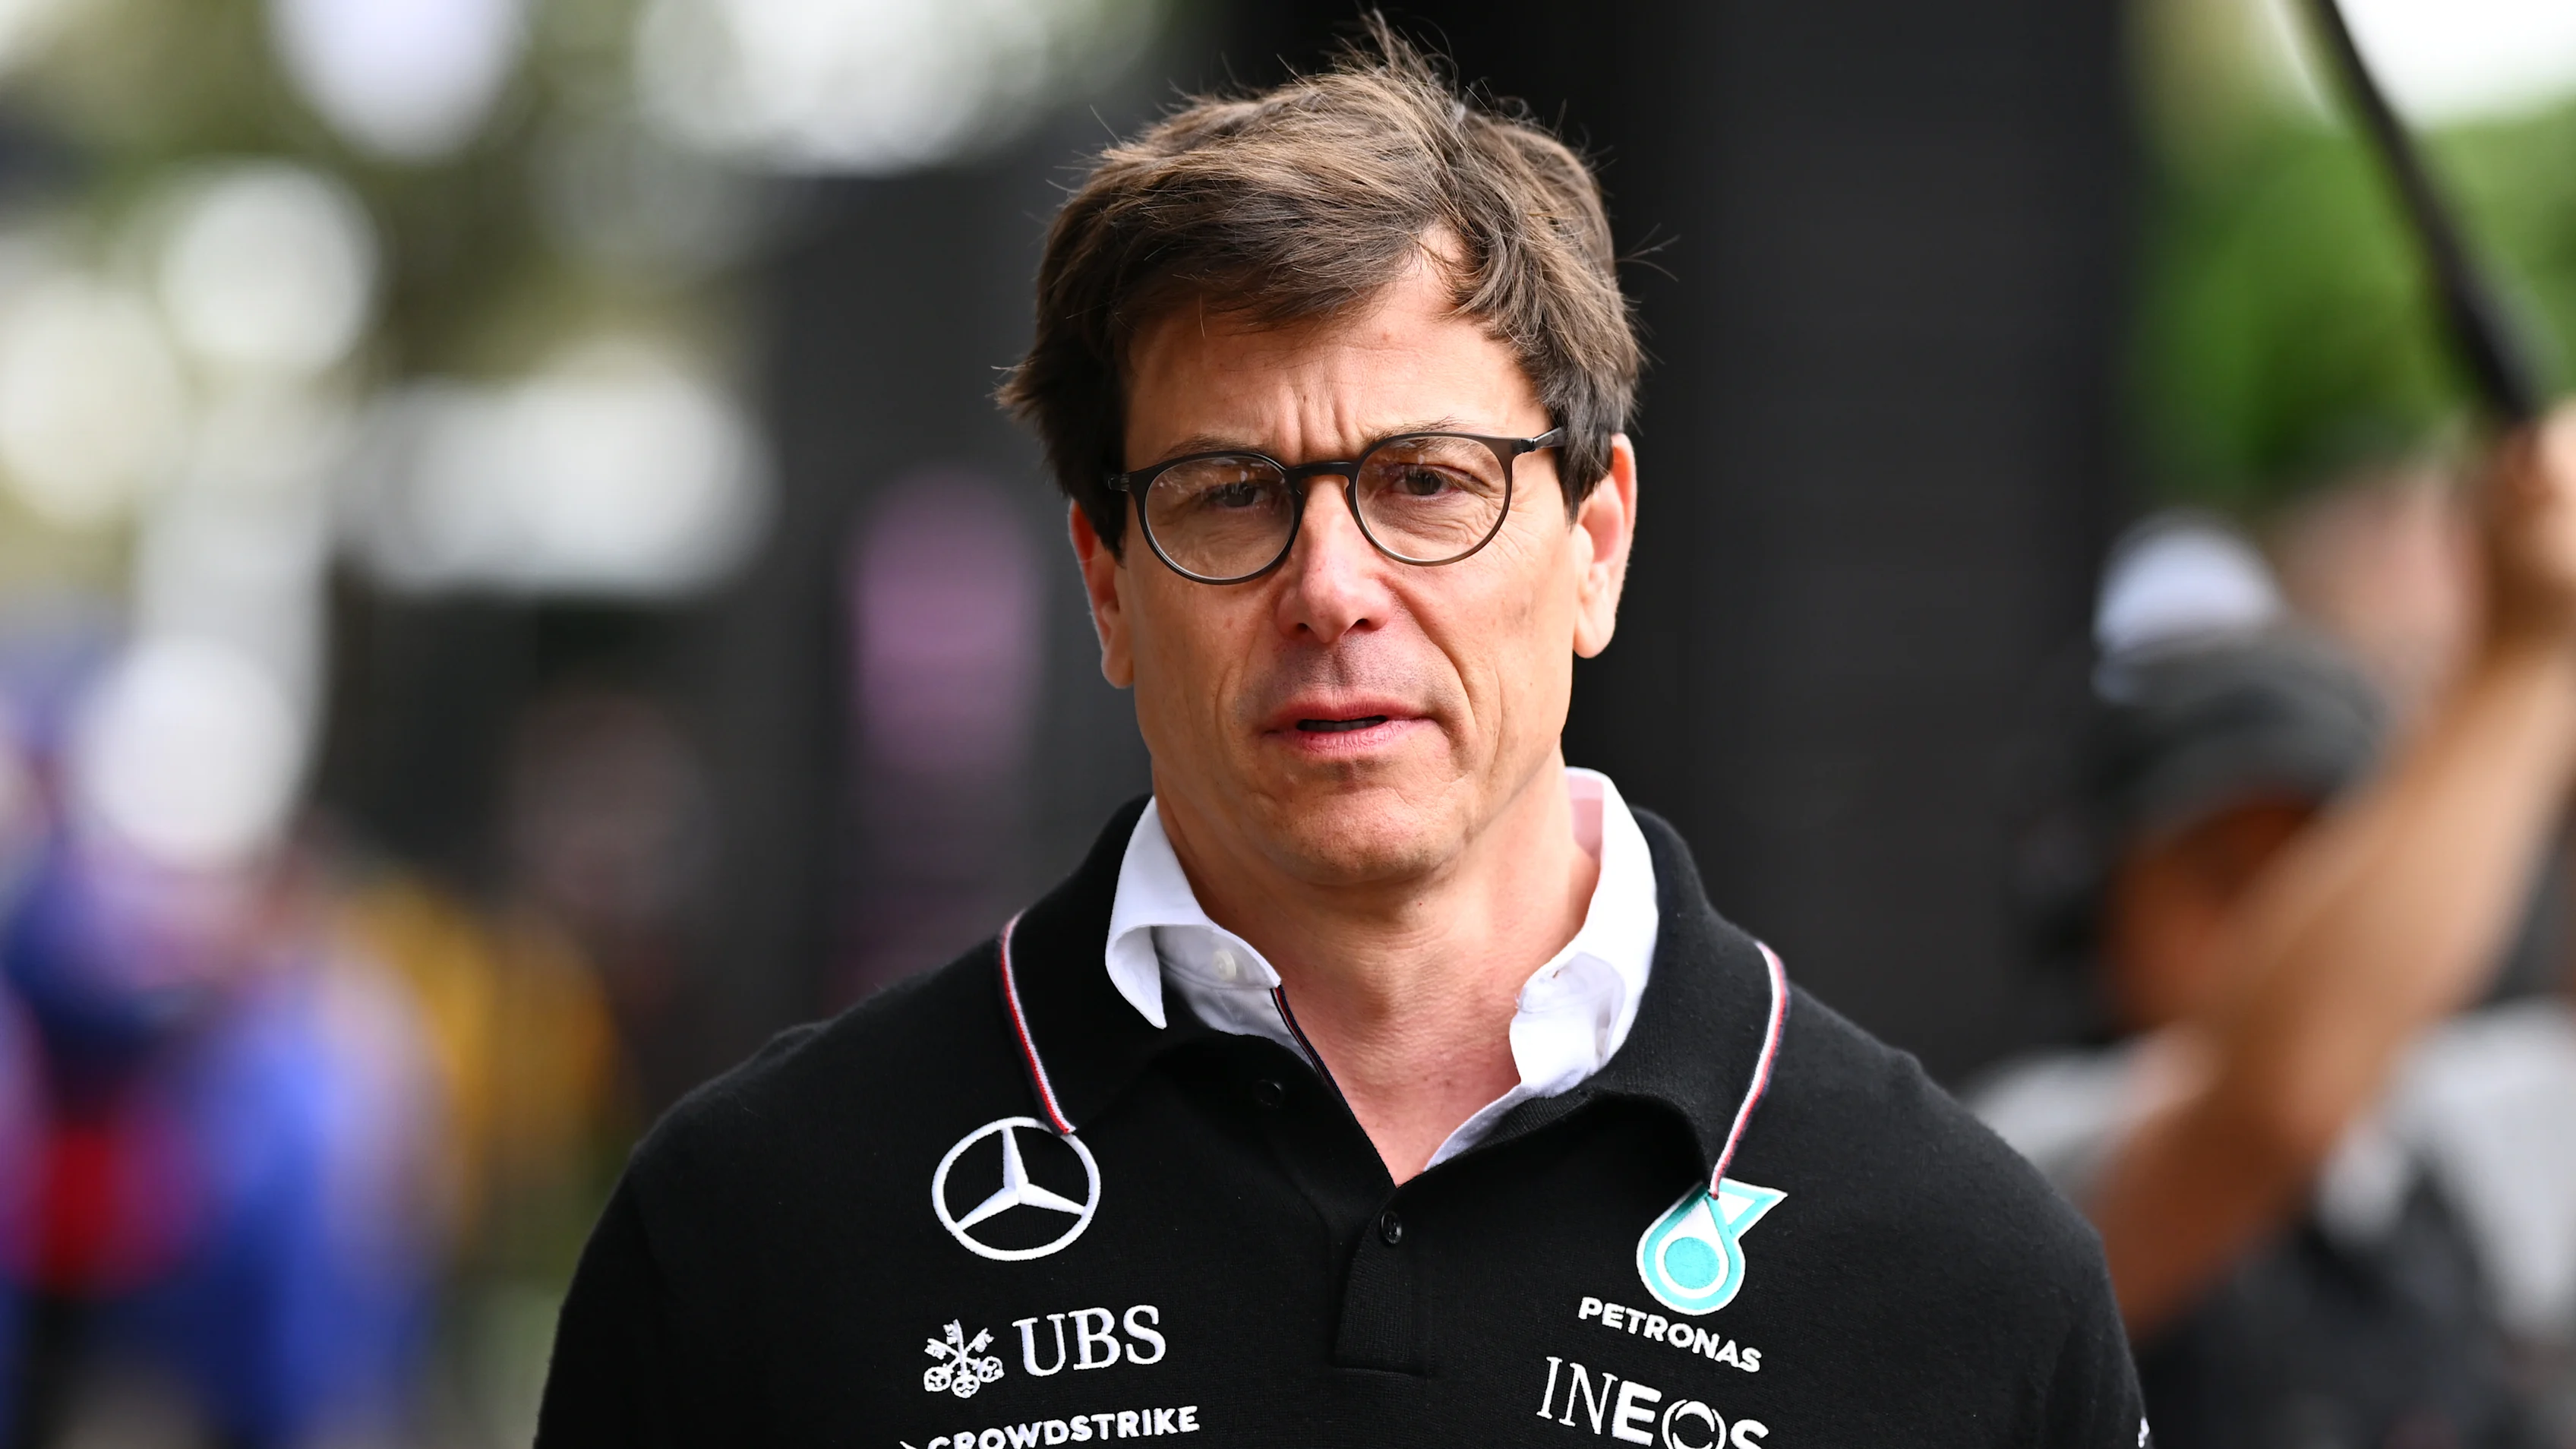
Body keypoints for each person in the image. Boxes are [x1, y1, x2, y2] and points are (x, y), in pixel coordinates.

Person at [536, 32, 2146, 1448]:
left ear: (1594, 542)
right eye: (1230, 494)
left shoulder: (1964, 1279)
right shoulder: (758, 1229)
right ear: (1105, 586)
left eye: (1426, 482)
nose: (1331, 589)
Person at [1975, 409, 2576, 1449]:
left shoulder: (2479, 1125)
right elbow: (2272, 1107)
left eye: (2323, 868)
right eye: (2221, 873)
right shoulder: (2022, 1156)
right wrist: (2526, 655)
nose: (2283, 923)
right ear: (2098, 903)